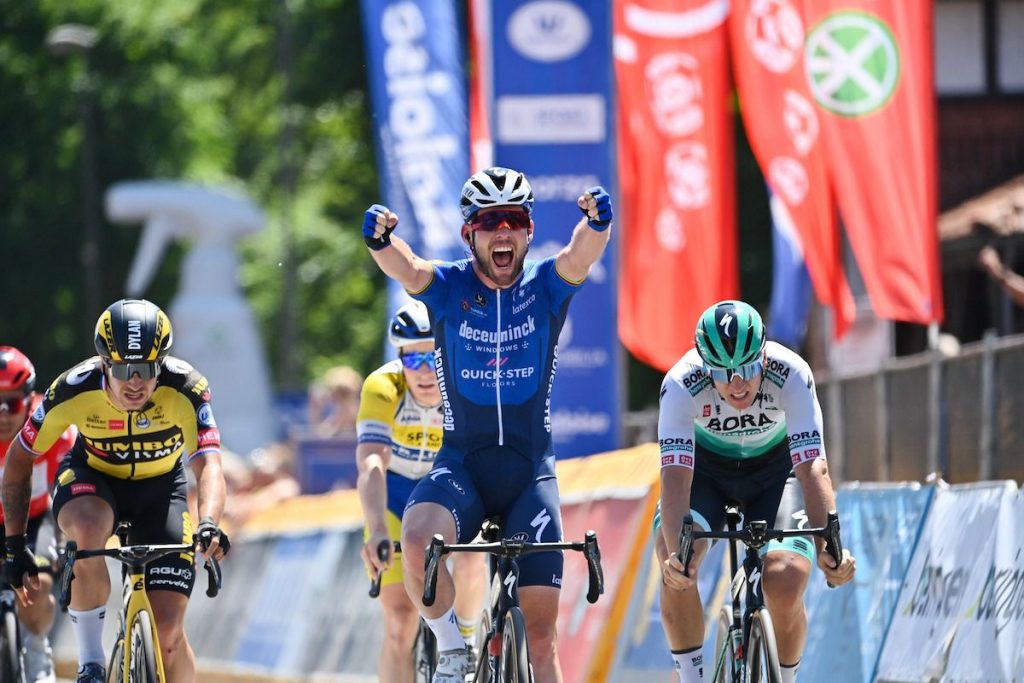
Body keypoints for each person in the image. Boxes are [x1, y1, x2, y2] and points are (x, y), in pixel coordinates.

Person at [361, 166, 613, 683]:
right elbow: (409, 268)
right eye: (489, 221)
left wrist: (598, 224)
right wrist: (380, 241)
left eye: (514, 220)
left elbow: (579, 256)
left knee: (541, 639)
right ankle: (454, 648)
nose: (503, 231)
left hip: (529, 473)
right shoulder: (449, 287)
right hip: (463, 468)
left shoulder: (544, 286)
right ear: (468, 233)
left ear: (529, 230)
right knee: (416, 540)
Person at [2, 299, 231, 683]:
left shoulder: (187, 387)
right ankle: (91, 663)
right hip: (93, 480)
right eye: (123, 369)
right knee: (87, 530)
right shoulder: (73, 388)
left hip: (161, 492)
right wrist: (14, 543)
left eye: (146, 369)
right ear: (104, 364)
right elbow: (19, 459)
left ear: (161, 365)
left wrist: (209, 522)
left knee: (168, 634)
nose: (135, 382)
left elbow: (209, 464)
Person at [655, 300, 856, 683]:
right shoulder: (681, 383)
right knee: (676, 562)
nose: (738, 383)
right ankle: (692, 678)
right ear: (704, 366)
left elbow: (812, 467)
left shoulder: (791, 372)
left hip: (776, 474)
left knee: (785, 578)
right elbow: (676, 479)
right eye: (723, 373)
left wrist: (830, 549)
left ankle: (785, 677)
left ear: (763, 355)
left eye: (748, 368)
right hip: (705, 475)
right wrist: (679, 559)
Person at [356, 301, 487, 683]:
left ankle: (464, 644)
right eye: (414, 361)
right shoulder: (383, 387)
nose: (426, 371)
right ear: (400, 360)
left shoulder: (466, 382)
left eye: (434, 358)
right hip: (396, 494)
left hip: (449, 489)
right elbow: (371, 463)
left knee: (471, 559)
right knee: (400, 623)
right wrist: (377, 528)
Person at [0, 347, 76, 683]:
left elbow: (68, 489)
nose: (3, 415)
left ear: (29, 399)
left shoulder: (53, 428)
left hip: (37, 518)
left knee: (38, 583)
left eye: (11, 404)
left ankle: (36, 650)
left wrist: (64, 537)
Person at [306, 365, 363, 437]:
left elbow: (323, 435)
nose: (330, 393)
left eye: (332, 390)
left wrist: (315, 410)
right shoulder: (344, 409)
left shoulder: (349, 411)